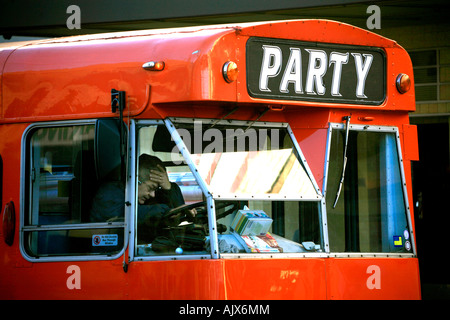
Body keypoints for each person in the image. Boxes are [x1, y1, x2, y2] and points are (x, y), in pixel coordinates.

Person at [90, 154, 192, 244]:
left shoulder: (138, 196)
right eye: (151, 188)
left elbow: (178, 220)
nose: (152, 195)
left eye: (155, 190)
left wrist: (169, 188)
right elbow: (130, 216)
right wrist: (166, 211)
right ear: (136, 180)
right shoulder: (109, 194)